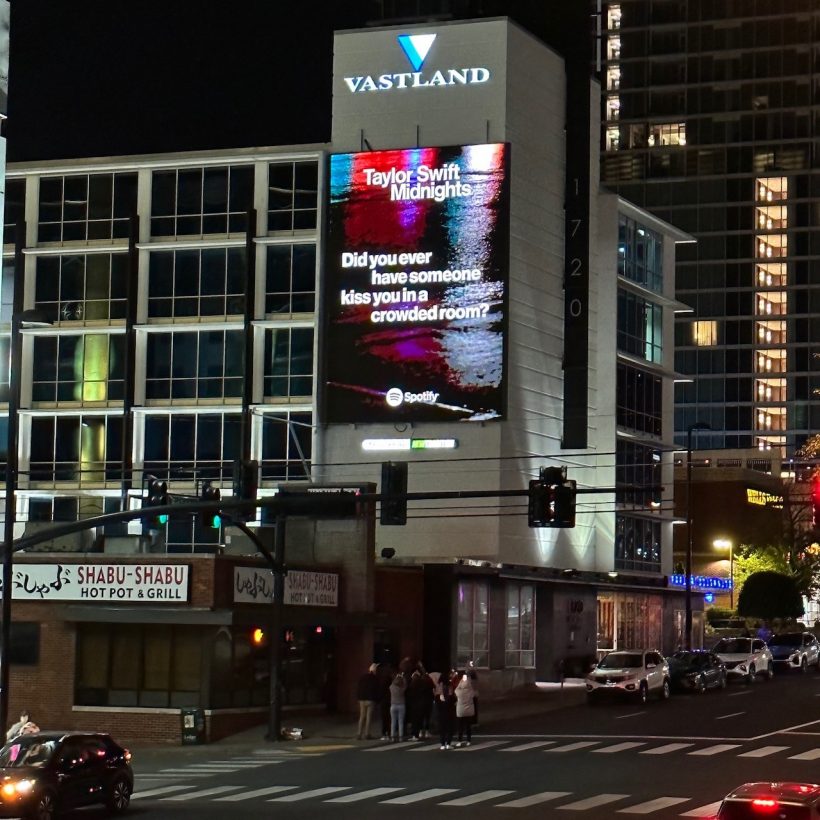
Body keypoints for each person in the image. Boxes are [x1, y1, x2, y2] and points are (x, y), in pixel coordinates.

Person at [355, 663, 379, 740]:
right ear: (375, 671)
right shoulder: (374, 679)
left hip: (362, 699)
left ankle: (359, 733)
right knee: (368, 717)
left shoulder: (363, 677)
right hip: (370, 699)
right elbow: (376, 690)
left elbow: (359, 687)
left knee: (362, 716)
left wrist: (358, 698)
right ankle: (367, 734)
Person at [435, 669, 456, 750]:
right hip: (449, 711)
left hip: (441, 712)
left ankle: (442, 744)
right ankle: (448, 743)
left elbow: (436, 700)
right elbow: (453, 699)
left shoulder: (438, 688)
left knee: (442, 728)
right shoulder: (450, 686)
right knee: (449, 728)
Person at [454, 671, 475, 747]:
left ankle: (459, 741)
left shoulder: (459, 692)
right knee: (468, 726)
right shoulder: (471, 691)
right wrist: (468, 681)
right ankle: (468, 740)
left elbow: (455, 690)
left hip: (460, 711)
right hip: (469, 711)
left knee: (460, 727)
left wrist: (461, 682)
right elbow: (473, 691)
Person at [389, 672, 406, 742]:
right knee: (400, 721)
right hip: (401, 705)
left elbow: (392, 683)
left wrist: (396, 677)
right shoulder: (402, 688)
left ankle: (392, 736)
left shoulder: (391, 687)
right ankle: (400, 737)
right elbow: (405, 684)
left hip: (393, 705)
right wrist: (402, 677)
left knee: (393, 721)